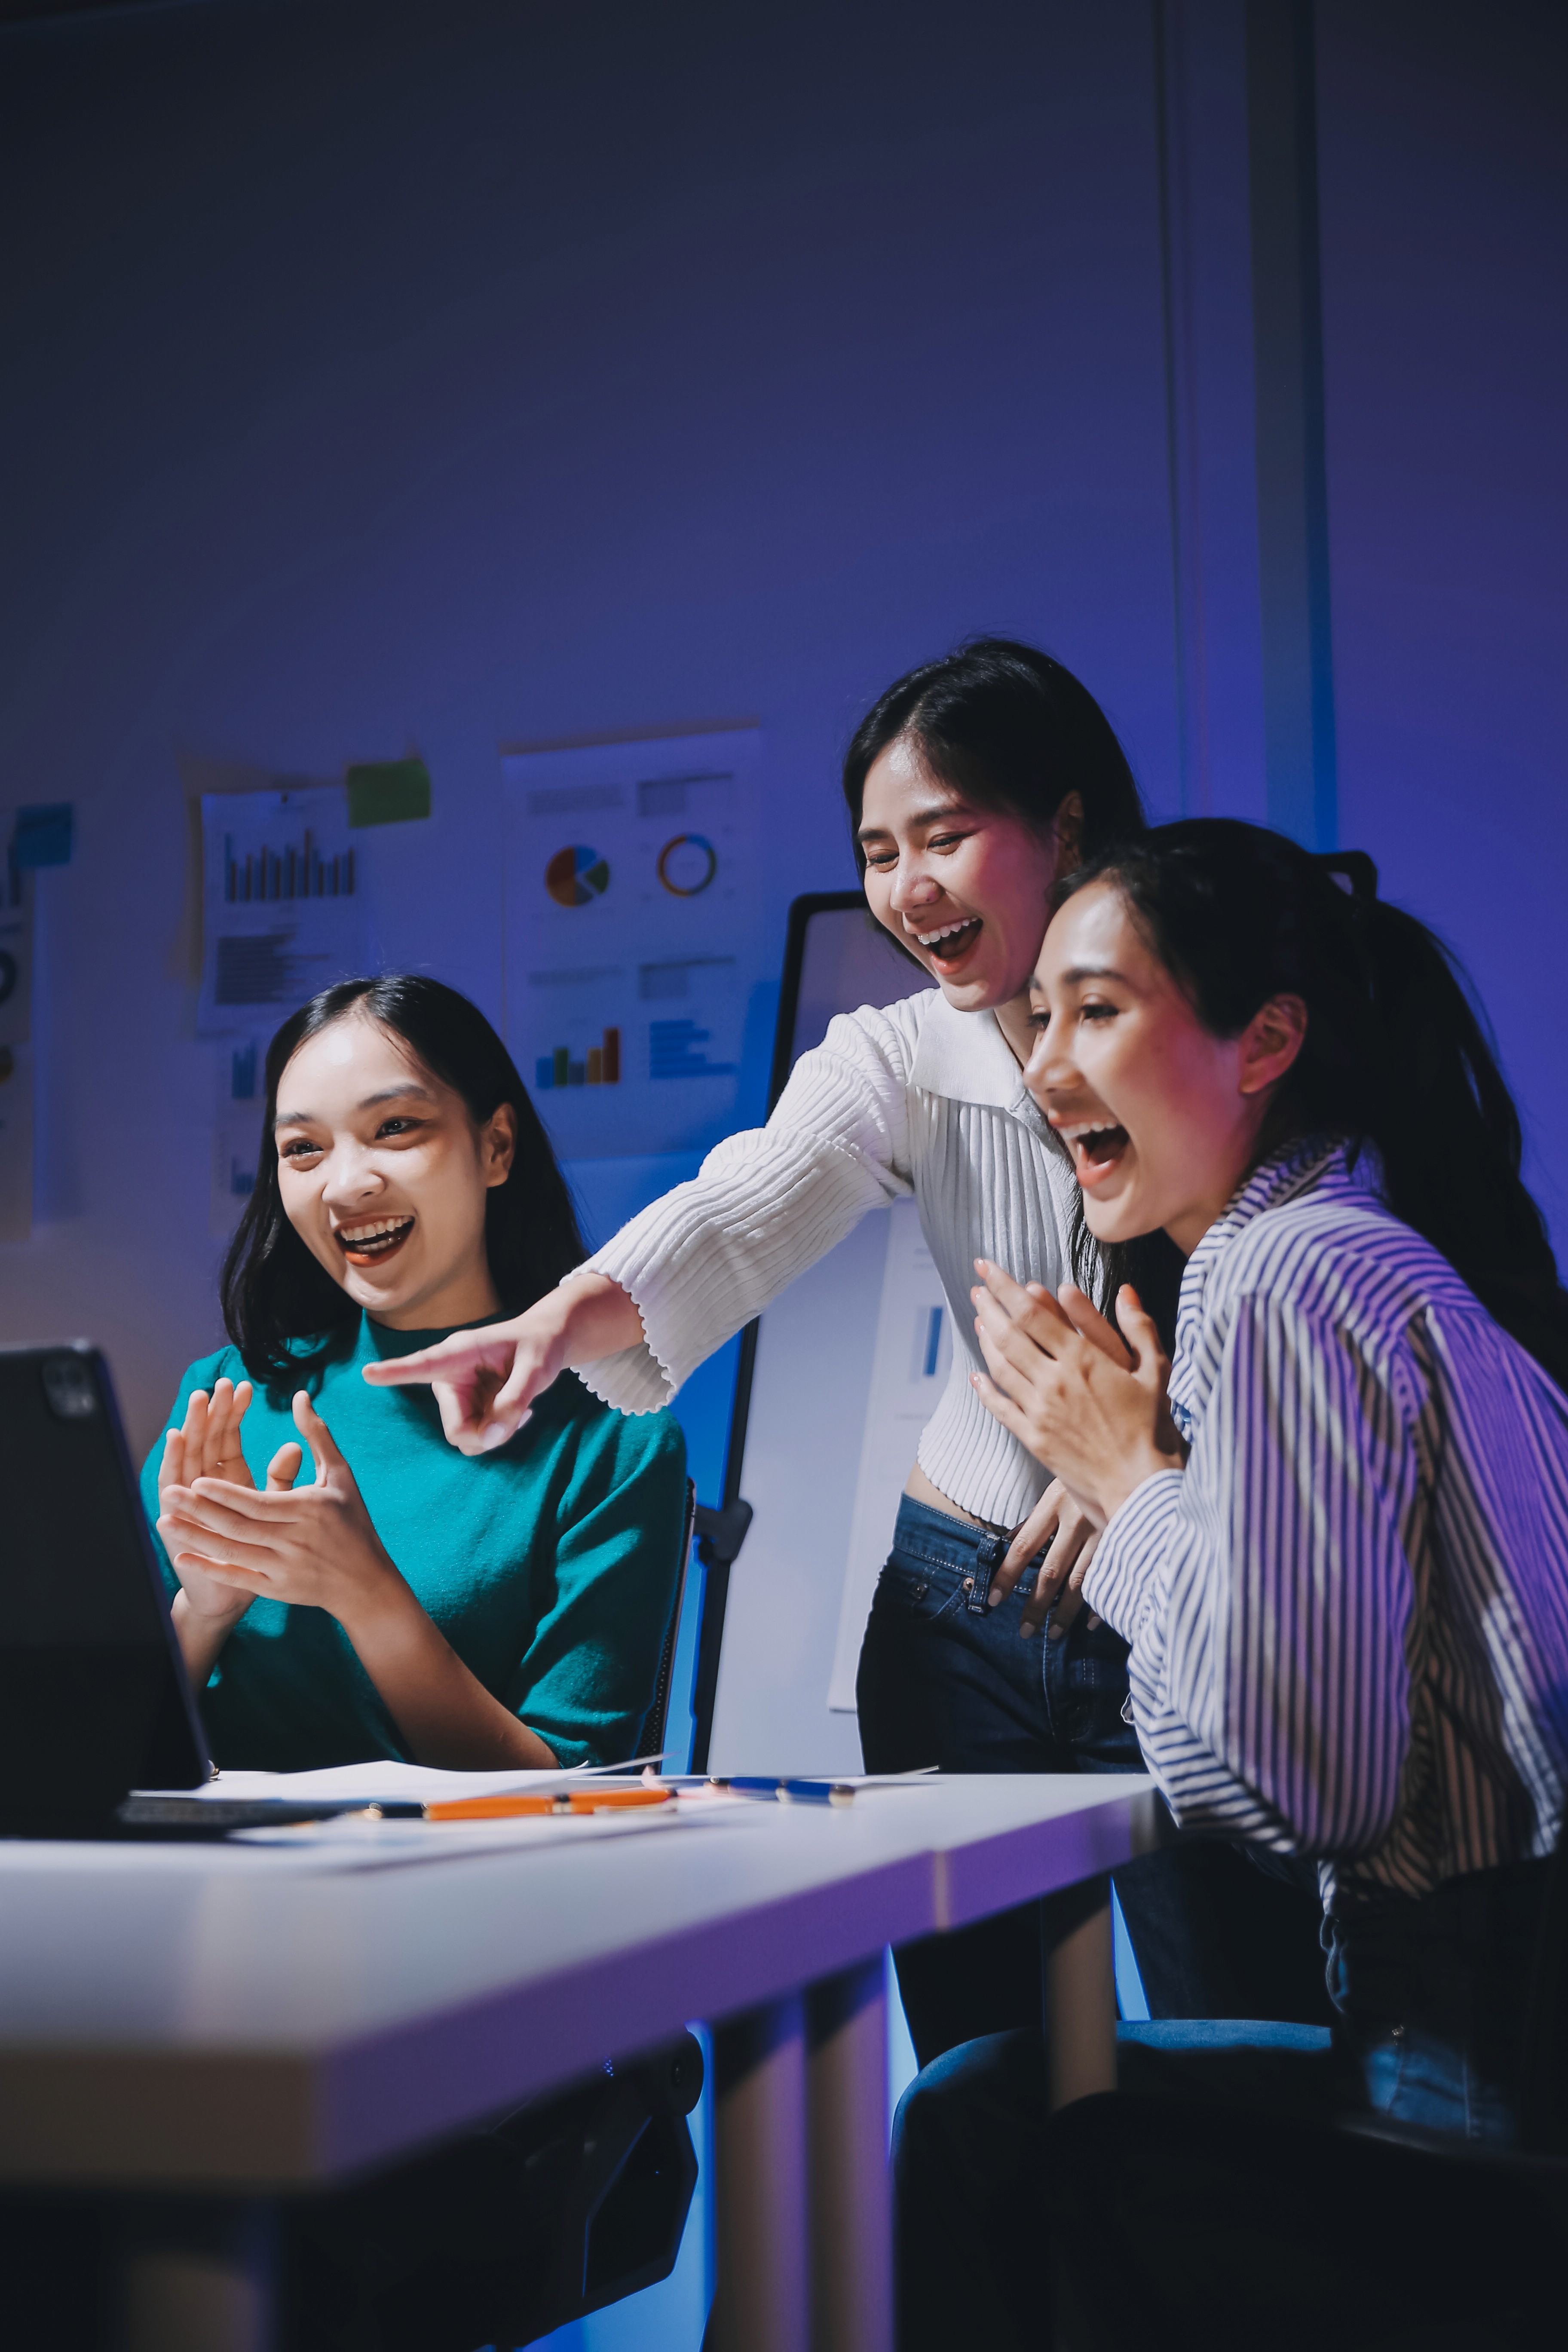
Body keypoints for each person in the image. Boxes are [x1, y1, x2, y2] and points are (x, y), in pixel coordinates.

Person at [361, 643, 1323, 2055]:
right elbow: (741, 1203)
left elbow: (1279, 1301)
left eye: (943, 834)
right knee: (983, 2071)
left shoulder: (1216, 1041)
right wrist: (554, 1319)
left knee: (1242, 2040)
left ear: (1061, 826)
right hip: (961, 1607)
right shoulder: (898, 1054)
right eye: (877, 851)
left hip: (1177, 1592)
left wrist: (1140, 1465)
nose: (903, 888)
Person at [892, 818, 1568, 2347]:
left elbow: (1299, 1789)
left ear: (1261, 1041)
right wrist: (1150, 1496)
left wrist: (1130, 1488)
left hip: (1467, 2076)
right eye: (1039, 1016)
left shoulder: (1288, 1272)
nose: (1045, 1063)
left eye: (1099, 1009)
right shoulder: (1342, 1250)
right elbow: (1253, 1766)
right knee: (998, 2100)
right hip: (1471, 2032)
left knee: (975, 2122)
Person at [145, 974, 687, 1773]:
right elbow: (105, 1757)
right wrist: (204, 1612)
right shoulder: (223, 1394)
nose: (346, 1184)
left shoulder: (616, 1438)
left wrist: (365, 1591)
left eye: (396, 1128)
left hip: (469, 1894)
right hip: (219, 1886)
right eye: (303, 1149)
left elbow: (566, 1792)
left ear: (495, 1147)